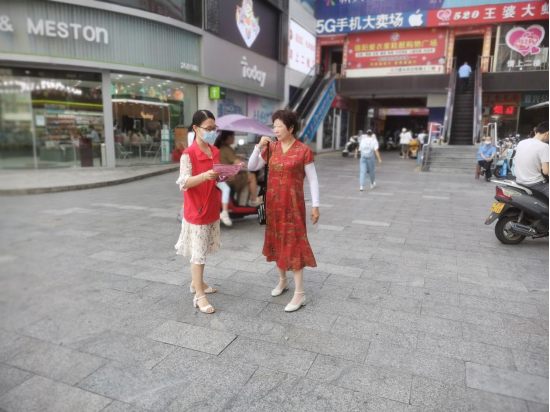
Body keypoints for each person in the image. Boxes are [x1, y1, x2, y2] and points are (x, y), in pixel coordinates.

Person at [249, 110, 320, 313]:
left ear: (290, 128)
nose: (276, 130)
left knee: (294, 244)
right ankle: (282, 281)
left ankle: (300, 293)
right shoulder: (271, 148)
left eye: (279, 126)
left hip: (293, 206)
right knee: (277, 241)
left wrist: (316, 205)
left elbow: (313, 179)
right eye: (274, 126)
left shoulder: (303, 151)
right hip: (274, 205)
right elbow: (252, 166)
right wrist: (258, 147)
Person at [175, 110, 225, 314]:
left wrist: (224, 175)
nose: (212, 132)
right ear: (196, 128)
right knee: (198, 255)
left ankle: (197, 283)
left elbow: (215, 177)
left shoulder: (214, 151)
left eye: (214, 128)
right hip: (197, 210)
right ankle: (199, 295)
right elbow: (184, 182)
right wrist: (204, 176)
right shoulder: (188, 154)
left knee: (203, 251)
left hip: (211, 206)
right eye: (208, 128)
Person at [214, 131, 262, 207]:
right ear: (229, 137)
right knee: (252, 176)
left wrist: (238, 156)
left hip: (222, 174)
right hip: (227, 177)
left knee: (244, 173)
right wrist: (251, 165)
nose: (234, 138)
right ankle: (254, 200)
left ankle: (242, 203)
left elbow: (230, 158)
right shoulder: (226, 148)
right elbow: (237, 162)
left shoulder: (221, 147)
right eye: (233, 136)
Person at [515, 121, 549, 198]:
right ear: (547, 133)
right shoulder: (544, 146)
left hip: (519, 181)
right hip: (535, 184)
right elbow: (546, 171)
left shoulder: (521, 142)